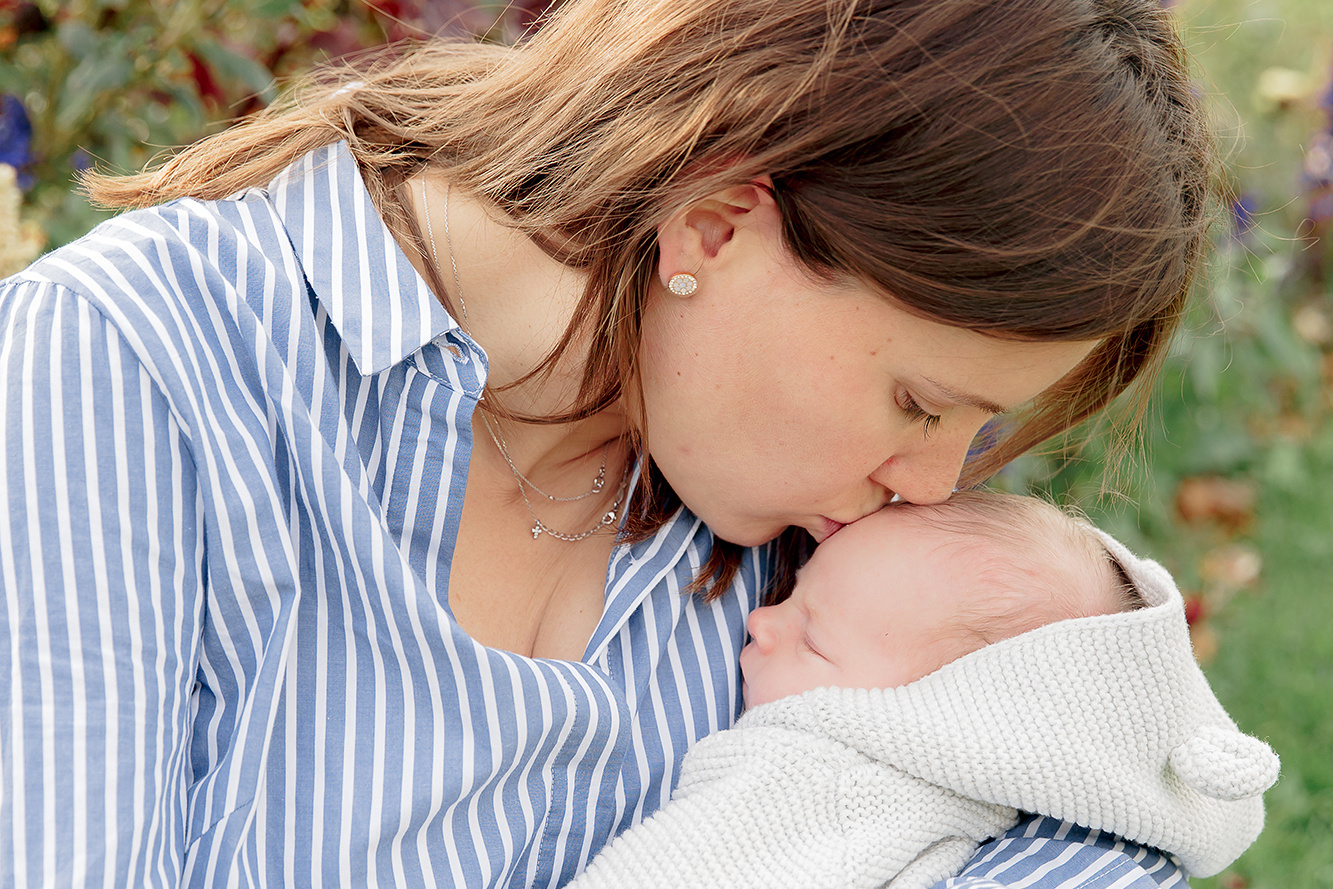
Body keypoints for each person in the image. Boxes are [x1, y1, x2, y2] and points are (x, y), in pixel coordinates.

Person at [0, 0, 1215, 886]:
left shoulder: (805, 530)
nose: (932, 483)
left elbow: (1097, 790)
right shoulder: (134, 364)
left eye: (977, 425)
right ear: (716, 224)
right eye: (918, 402)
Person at [566, 492, 1279, 889]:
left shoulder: (827, 783)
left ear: (932, 714)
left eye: (813, 638)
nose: (759, 618)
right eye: (790, 592)